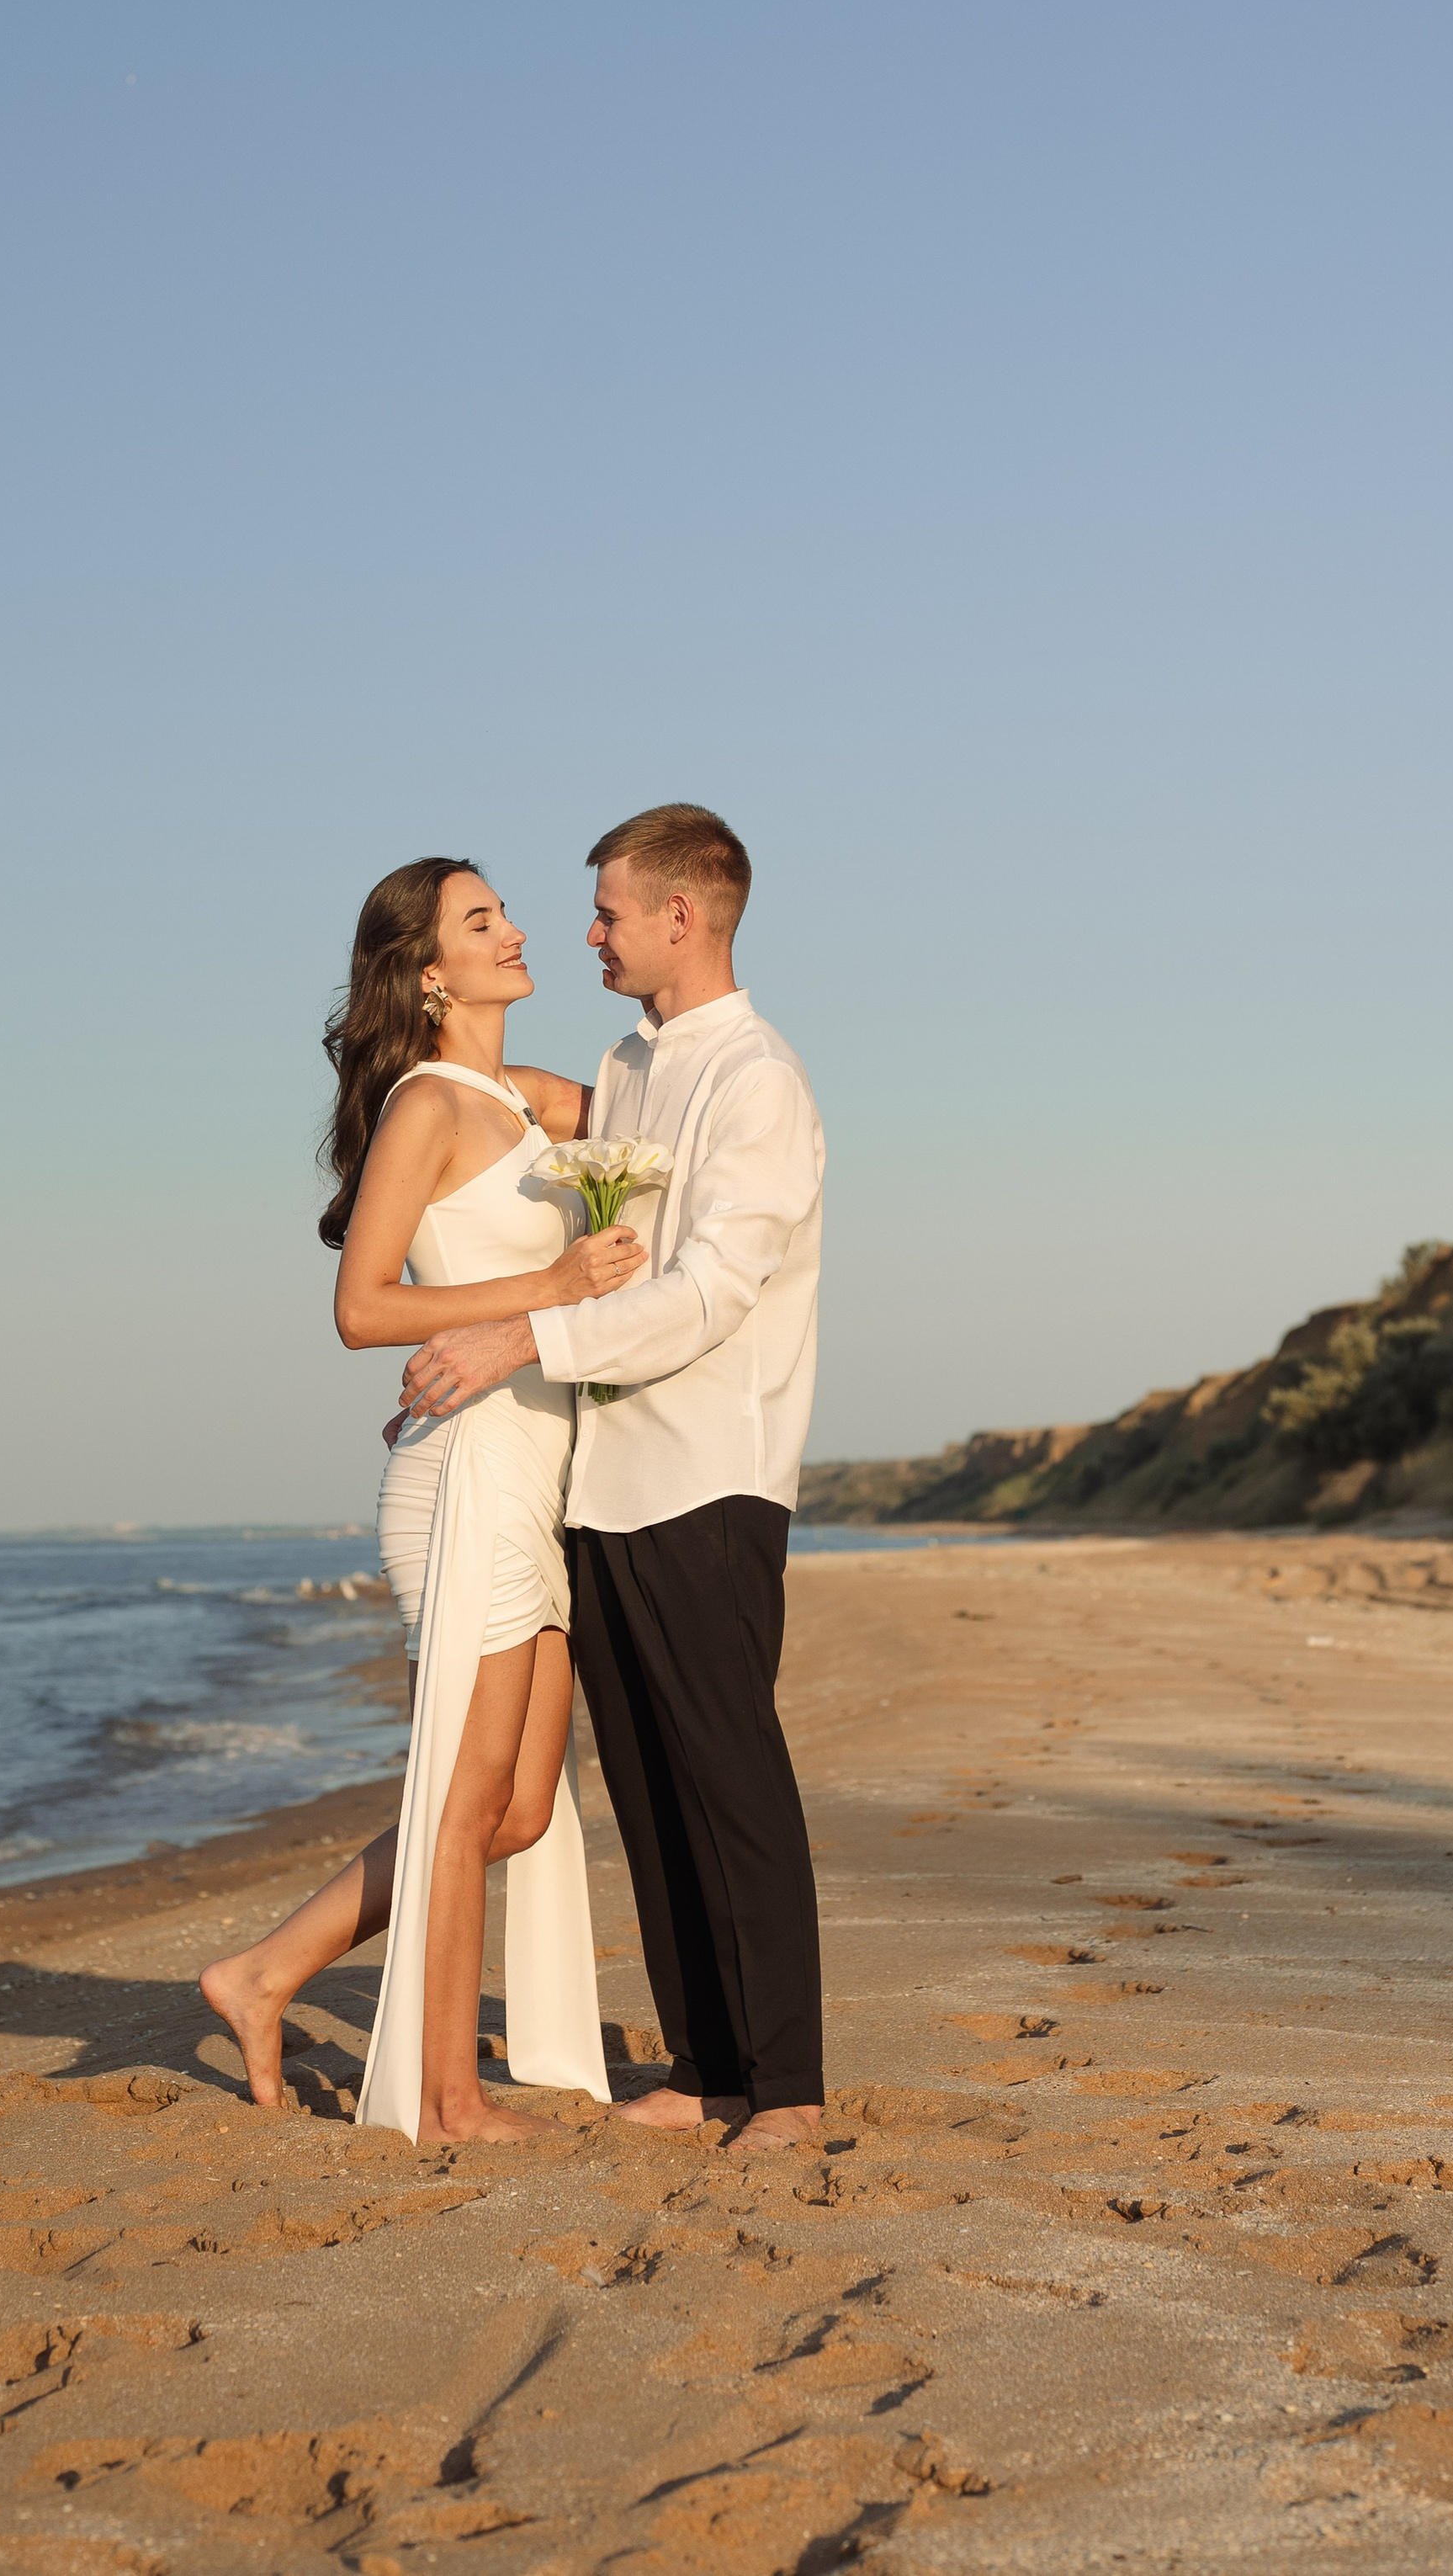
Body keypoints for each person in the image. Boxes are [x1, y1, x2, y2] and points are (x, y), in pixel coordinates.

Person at [400, 804, 826, 2155]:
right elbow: (555, 1143)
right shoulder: (627, 1066)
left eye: (608, 912)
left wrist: (518, 1336)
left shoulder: (757, 1078)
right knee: (646, 1787)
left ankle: (789, 2087)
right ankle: (706, 2064)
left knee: (732, 1779)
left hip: (711, 1470)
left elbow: (707, 1292)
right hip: (602, 1480)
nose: (587, 933)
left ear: (680, 918)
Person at [199, 856, 639, 2143]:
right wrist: (551, 1289)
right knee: (462, 1804)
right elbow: (362, 1306)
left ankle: (267, 1971)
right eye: (479, 921)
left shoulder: (519, 1099)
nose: (514, 931)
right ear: (429, 975)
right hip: (466, 1476)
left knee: (516, 1806)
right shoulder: (428, 1105)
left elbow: (651, 1100)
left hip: (535, 1483)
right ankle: (446, 2099)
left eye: (504, 912)